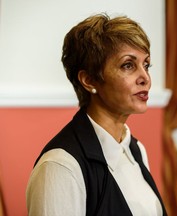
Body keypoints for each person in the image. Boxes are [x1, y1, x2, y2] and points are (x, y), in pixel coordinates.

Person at [26, 14, 167, 216]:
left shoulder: (136, 150)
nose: (145, 78)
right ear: (89, 80)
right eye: (128, 65)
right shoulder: (60, 166)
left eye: (146, 65)